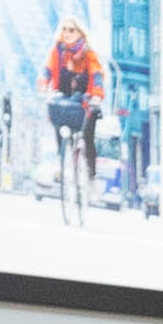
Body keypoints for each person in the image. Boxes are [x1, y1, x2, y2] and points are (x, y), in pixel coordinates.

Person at [43, 18, 114, 200]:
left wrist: (97, 94)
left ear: (80, 33)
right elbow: (48, 70)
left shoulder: (89, 55)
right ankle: (62, 162)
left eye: (71, 30)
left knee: (88, 136)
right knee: (58, 120)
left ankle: (90, 177)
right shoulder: (58, 51)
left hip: (85, 101)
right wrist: (43, 84)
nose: (66, 33)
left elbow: (97, 75)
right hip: (64, 98)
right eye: (64, 29)